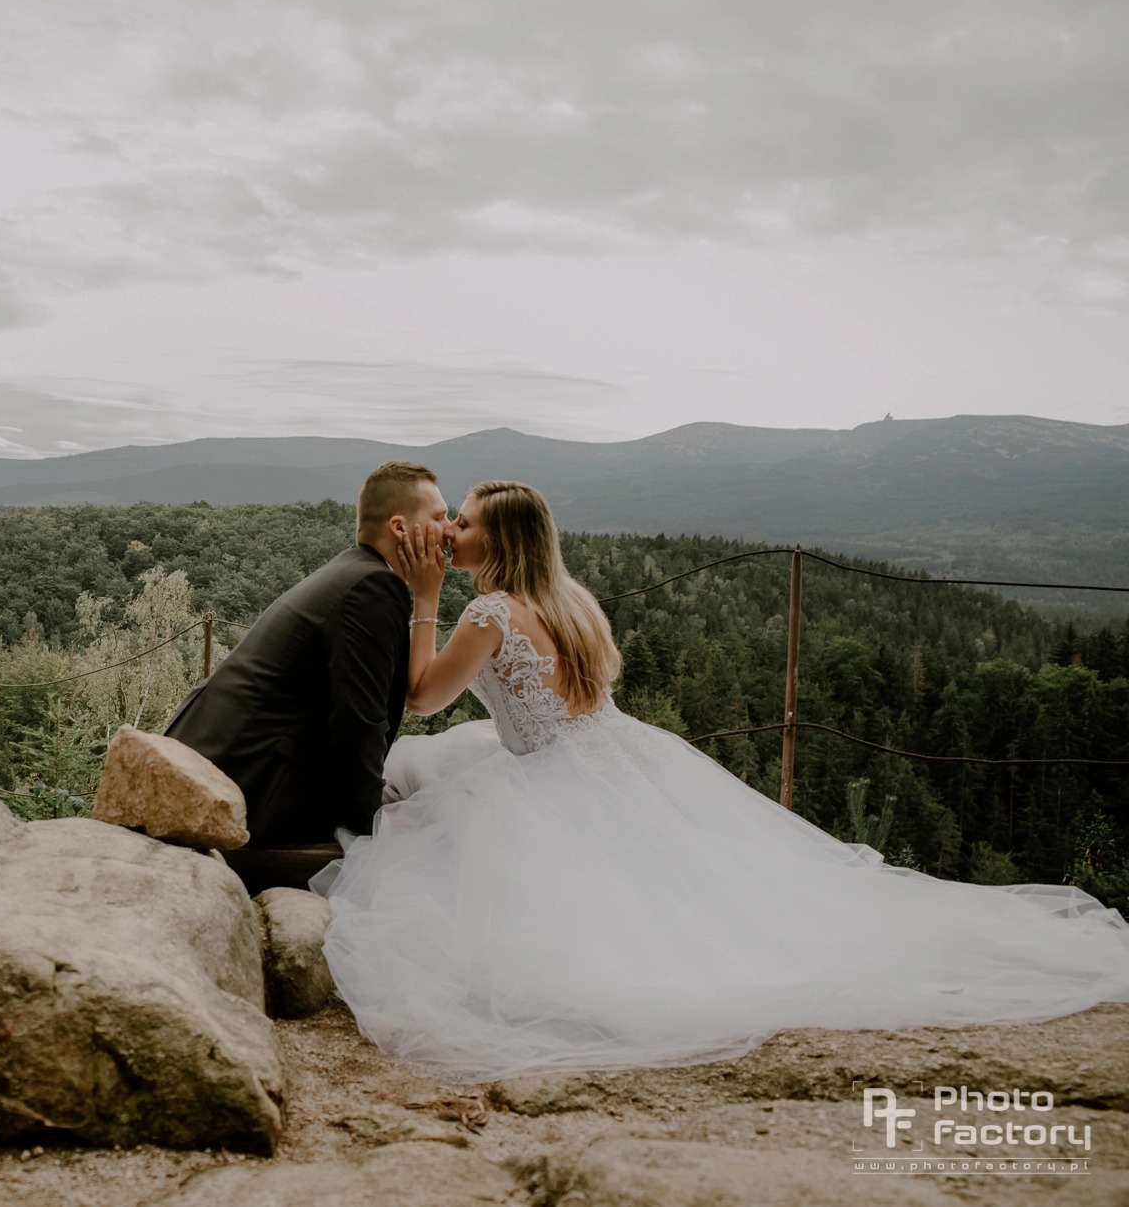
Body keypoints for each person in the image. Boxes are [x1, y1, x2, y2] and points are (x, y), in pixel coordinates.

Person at [315, 480, 1129, 1080]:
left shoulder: (487, 616)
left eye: (464, 522)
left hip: (549, 772)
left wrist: (423, 595)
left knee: (470, 824)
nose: (451, 530)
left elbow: (423, 697)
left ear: (500, 545)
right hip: (619, 754)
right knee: (681, 885)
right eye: (450, 518)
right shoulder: (573, 602)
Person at [163, 461, 451, 846]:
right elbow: (359, 724)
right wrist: (372, 835)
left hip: (220, 765)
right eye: (440, 516)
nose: (449, 529)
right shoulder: (373, 587)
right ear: (400, 527)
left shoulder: (353, 571)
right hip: (252, 789)